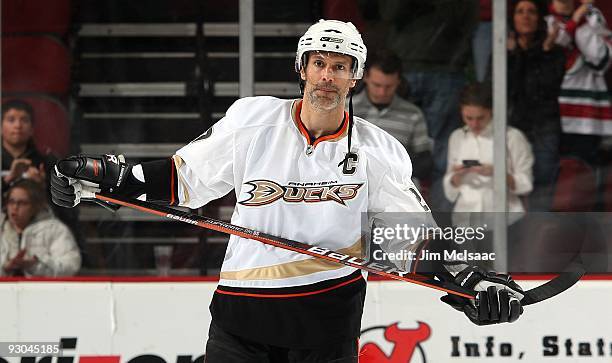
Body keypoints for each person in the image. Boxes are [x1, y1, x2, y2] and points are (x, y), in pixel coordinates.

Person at [50, 20, 525, 362]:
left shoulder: (380, 150)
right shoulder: (252, 121)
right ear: (302, 67)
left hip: (326, 330)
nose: (327, 76)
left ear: (354, 77)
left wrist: (469, 282)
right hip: (241, 326)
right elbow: (183, 180)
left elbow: (410, 236)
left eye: (340, 66)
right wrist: (106, 175)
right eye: (319, 63)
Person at [377, 0, 479, 211]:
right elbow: (388, 13)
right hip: (404, 66)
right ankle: (395, 221)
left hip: (447, 68)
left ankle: (439, 230)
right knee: (392, 151)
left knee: (442, 158)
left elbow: (463, 18)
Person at [444, 83, 534, 229]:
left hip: (506, 220)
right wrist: (457, 176)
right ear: (461, 112)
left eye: (481, 118)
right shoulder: (457, 137)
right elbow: (450, 190)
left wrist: (497, 173)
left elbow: (525, 184)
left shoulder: (512, 137)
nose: (474, 124)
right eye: (468, 118)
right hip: (465, 219)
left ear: (491, 112)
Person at [507, 0, 566, 211]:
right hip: (512, 126)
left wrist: (544, 52)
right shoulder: (504, 51)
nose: (525, 16)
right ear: (512, 18)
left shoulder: (554, 51)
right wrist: (513, 56)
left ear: (540, 18)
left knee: (543, 185)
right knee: (511, 183)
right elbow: (501, 89)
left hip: (544, 125)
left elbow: (547, 87)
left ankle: (538, 236)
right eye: (520, 11)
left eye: (531, 11)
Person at [546, 0, 612, 164]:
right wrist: (576, 20)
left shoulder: (592, 15)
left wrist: (585, 11)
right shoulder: (540, 18)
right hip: (550, 117)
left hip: (586, 118)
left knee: (581, 180)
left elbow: (601, 60)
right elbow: (557, 46)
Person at [351, 49, 432, 182]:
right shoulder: (345, 109)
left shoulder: (413, 114)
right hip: (354, 184)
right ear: (365, 77)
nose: (382, 92)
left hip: (396, 186)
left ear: (399, 81)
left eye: (389, 86)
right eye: (377, 85)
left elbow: (425, 164)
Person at [1, 179, 81, 277]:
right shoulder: (2, 228)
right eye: (11, 201)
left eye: (22, 203)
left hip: (42, 290)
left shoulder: (54, 229)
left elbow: (70, 266)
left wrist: (36, 265)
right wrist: (5, 268)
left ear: (35, 206)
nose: (15, 207)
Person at [1, 100, 47, 192]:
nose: (18, 126)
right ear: (0, 128)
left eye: (24, 120)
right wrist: (8, 179)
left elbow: (63, 203)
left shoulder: (44, 162)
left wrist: (41, 186)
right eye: (11, 120)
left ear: (31, 129)